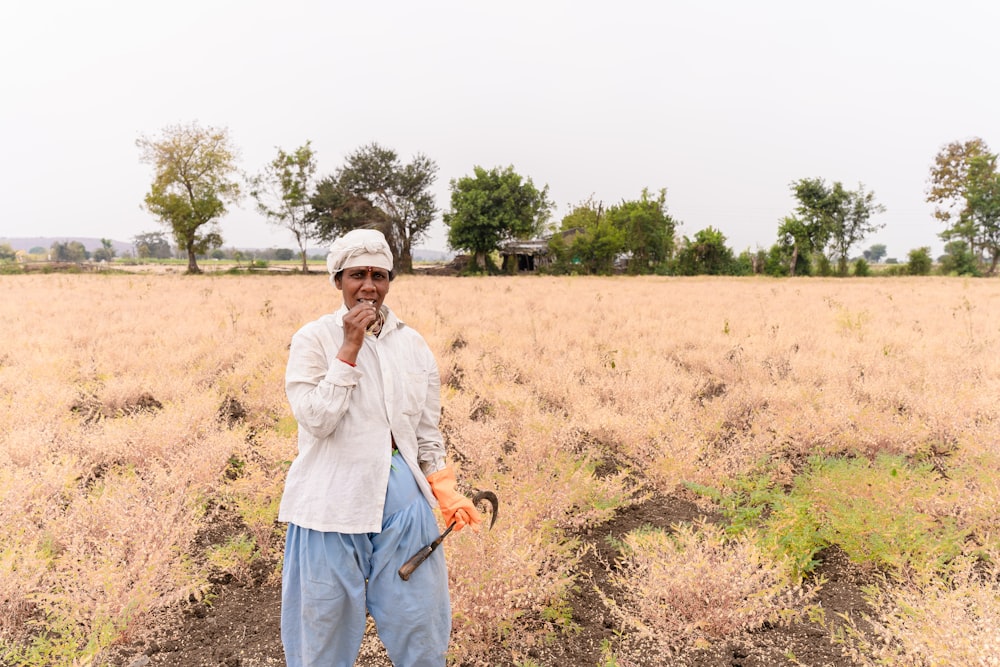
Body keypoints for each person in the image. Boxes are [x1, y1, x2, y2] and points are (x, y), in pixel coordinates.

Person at [278, 229, 481, 667]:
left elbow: (425, 430)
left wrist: (444, 488)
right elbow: (315, 419)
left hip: (403, 502)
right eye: (357, 275)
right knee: (322, 631)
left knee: (421, 624)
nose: (369, 286)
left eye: (379, 275)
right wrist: (349, 349)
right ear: (338, 281)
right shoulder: (313, 340)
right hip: (331, 504)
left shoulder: (412, 345)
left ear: (390, 280)